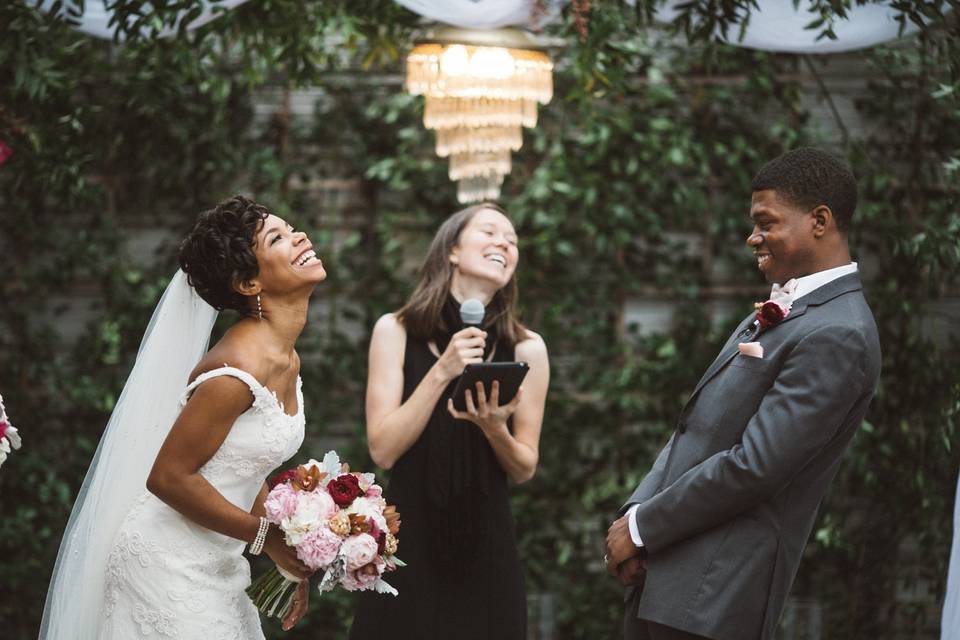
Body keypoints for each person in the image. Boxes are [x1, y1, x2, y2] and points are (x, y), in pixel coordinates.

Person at [606, 148, 882, 640]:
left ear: (819, 221)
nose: (752, 237)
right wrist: (634, 514)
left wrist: (646, 526)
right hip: (665, 578)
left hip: (715, 596)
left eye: (765, 222)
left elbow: (755, 466)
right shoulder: (785, 307)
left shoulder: (840, 333)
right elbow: (696, 427)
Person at [41, 195, 326, 638]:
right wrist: (264, 536)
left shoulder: (285, 357)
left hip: (220, 565)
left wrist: (287, 559)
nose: (299, 237)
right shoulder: (236, 370)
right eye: (278, 238)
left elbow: (245, 465)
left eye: (291, 230)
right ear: (249, 283)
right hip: (165, 564)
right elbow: (169, 477)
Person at [349, 203, 550, 640]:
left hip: (487, 545)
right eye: (491, 232)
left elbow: (524, 466)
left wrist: (495, 428)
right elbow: (383, 448)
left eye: (512, 240)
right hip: (408, 540)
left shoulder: (527, 348)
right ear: (453, 250)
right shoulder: (396, 331)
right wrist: (443, 370)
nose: (505, 243)